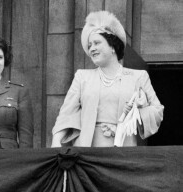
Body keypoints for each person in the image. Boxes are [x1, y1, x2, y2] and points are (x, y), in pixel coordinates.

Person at [51, 11, 164, 147]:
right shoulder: (82, 77)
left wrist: (137, 113)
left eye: (97, 43)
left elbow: (157, 111)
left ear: (112, 46)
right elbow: (66, 115)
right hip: (87, 156)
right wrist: (56, 149)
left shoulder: (138, 77)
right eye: (89, 45)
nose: (92, 48)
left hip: (123, 155)